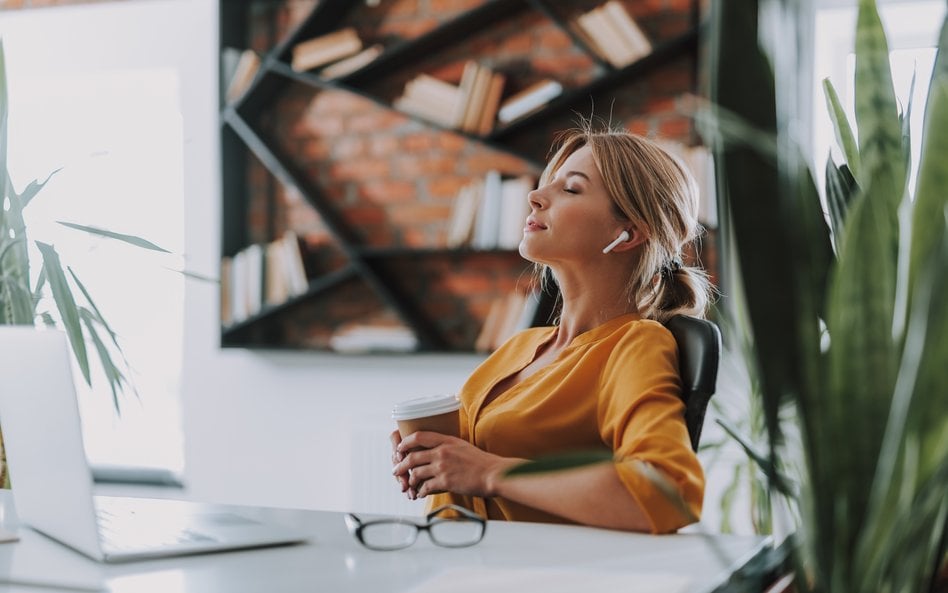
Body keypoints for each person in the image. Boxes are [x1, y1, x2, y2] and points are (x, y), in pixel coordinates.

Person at [390, 127, 712, 534]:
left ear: (627, 232)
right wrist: (433, 458)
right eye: (547, 184)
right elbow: (470, 469)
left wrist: (489, 472)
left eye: (572, 189)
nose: (535, 196)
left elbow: (669, 491)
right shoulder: (521, 346)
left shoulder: (633, 346)